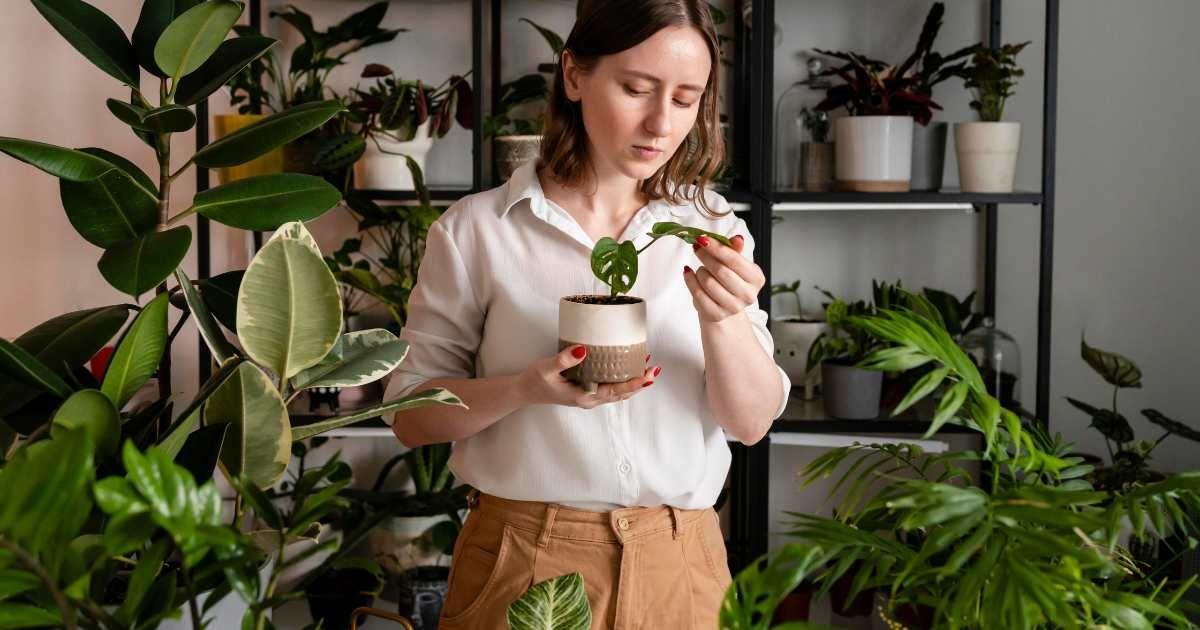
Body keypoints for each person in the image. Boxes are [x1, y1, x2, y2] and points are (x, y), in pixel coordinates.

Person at [384, 1, 790, 627]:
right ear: (574, 75)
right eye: (636, 88)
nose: (661, 122)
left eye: (687, 99)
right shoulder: (479, 230)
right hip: (523, 560)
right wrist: (525, 388)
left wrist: (723, 318)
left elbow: (752, 422)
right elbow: (410, 417)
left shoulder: (713, 230)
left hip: (681, 562)